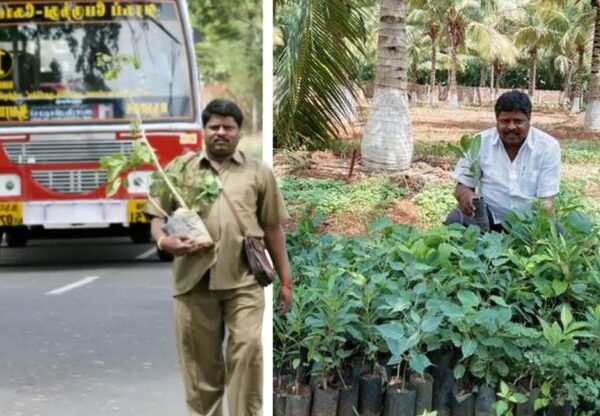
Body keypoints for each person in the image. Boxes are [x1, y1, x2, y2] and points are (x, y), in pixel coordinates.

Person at [144, 99, 293, 416]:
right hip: (193, 283)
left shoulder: (258, 173)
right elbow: (156, 217)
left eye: (228, 127)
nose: (221, 133)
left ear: (240, 132)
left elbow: (272, 228)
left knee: (248, 353)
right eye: (214, 127)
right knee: (201, 373)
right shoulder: (178, 170)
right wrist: (164, 240)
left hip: (244, 282)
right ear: (204, 130)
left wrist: (287, 281)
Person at [445, 90, 561, 231]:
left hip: (528, 225)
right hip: (487, 220)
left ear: (529, 120)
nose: (511, 126)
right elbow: (461, 186)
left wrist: (541, 231)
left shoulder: (547, 146)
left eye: (518, 121)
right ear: (497, 121)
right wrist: (467, 196)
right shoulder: (479, 142)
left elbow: (546, 201)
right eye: (505, 121)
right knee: (455, 220)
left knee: (560, 233)